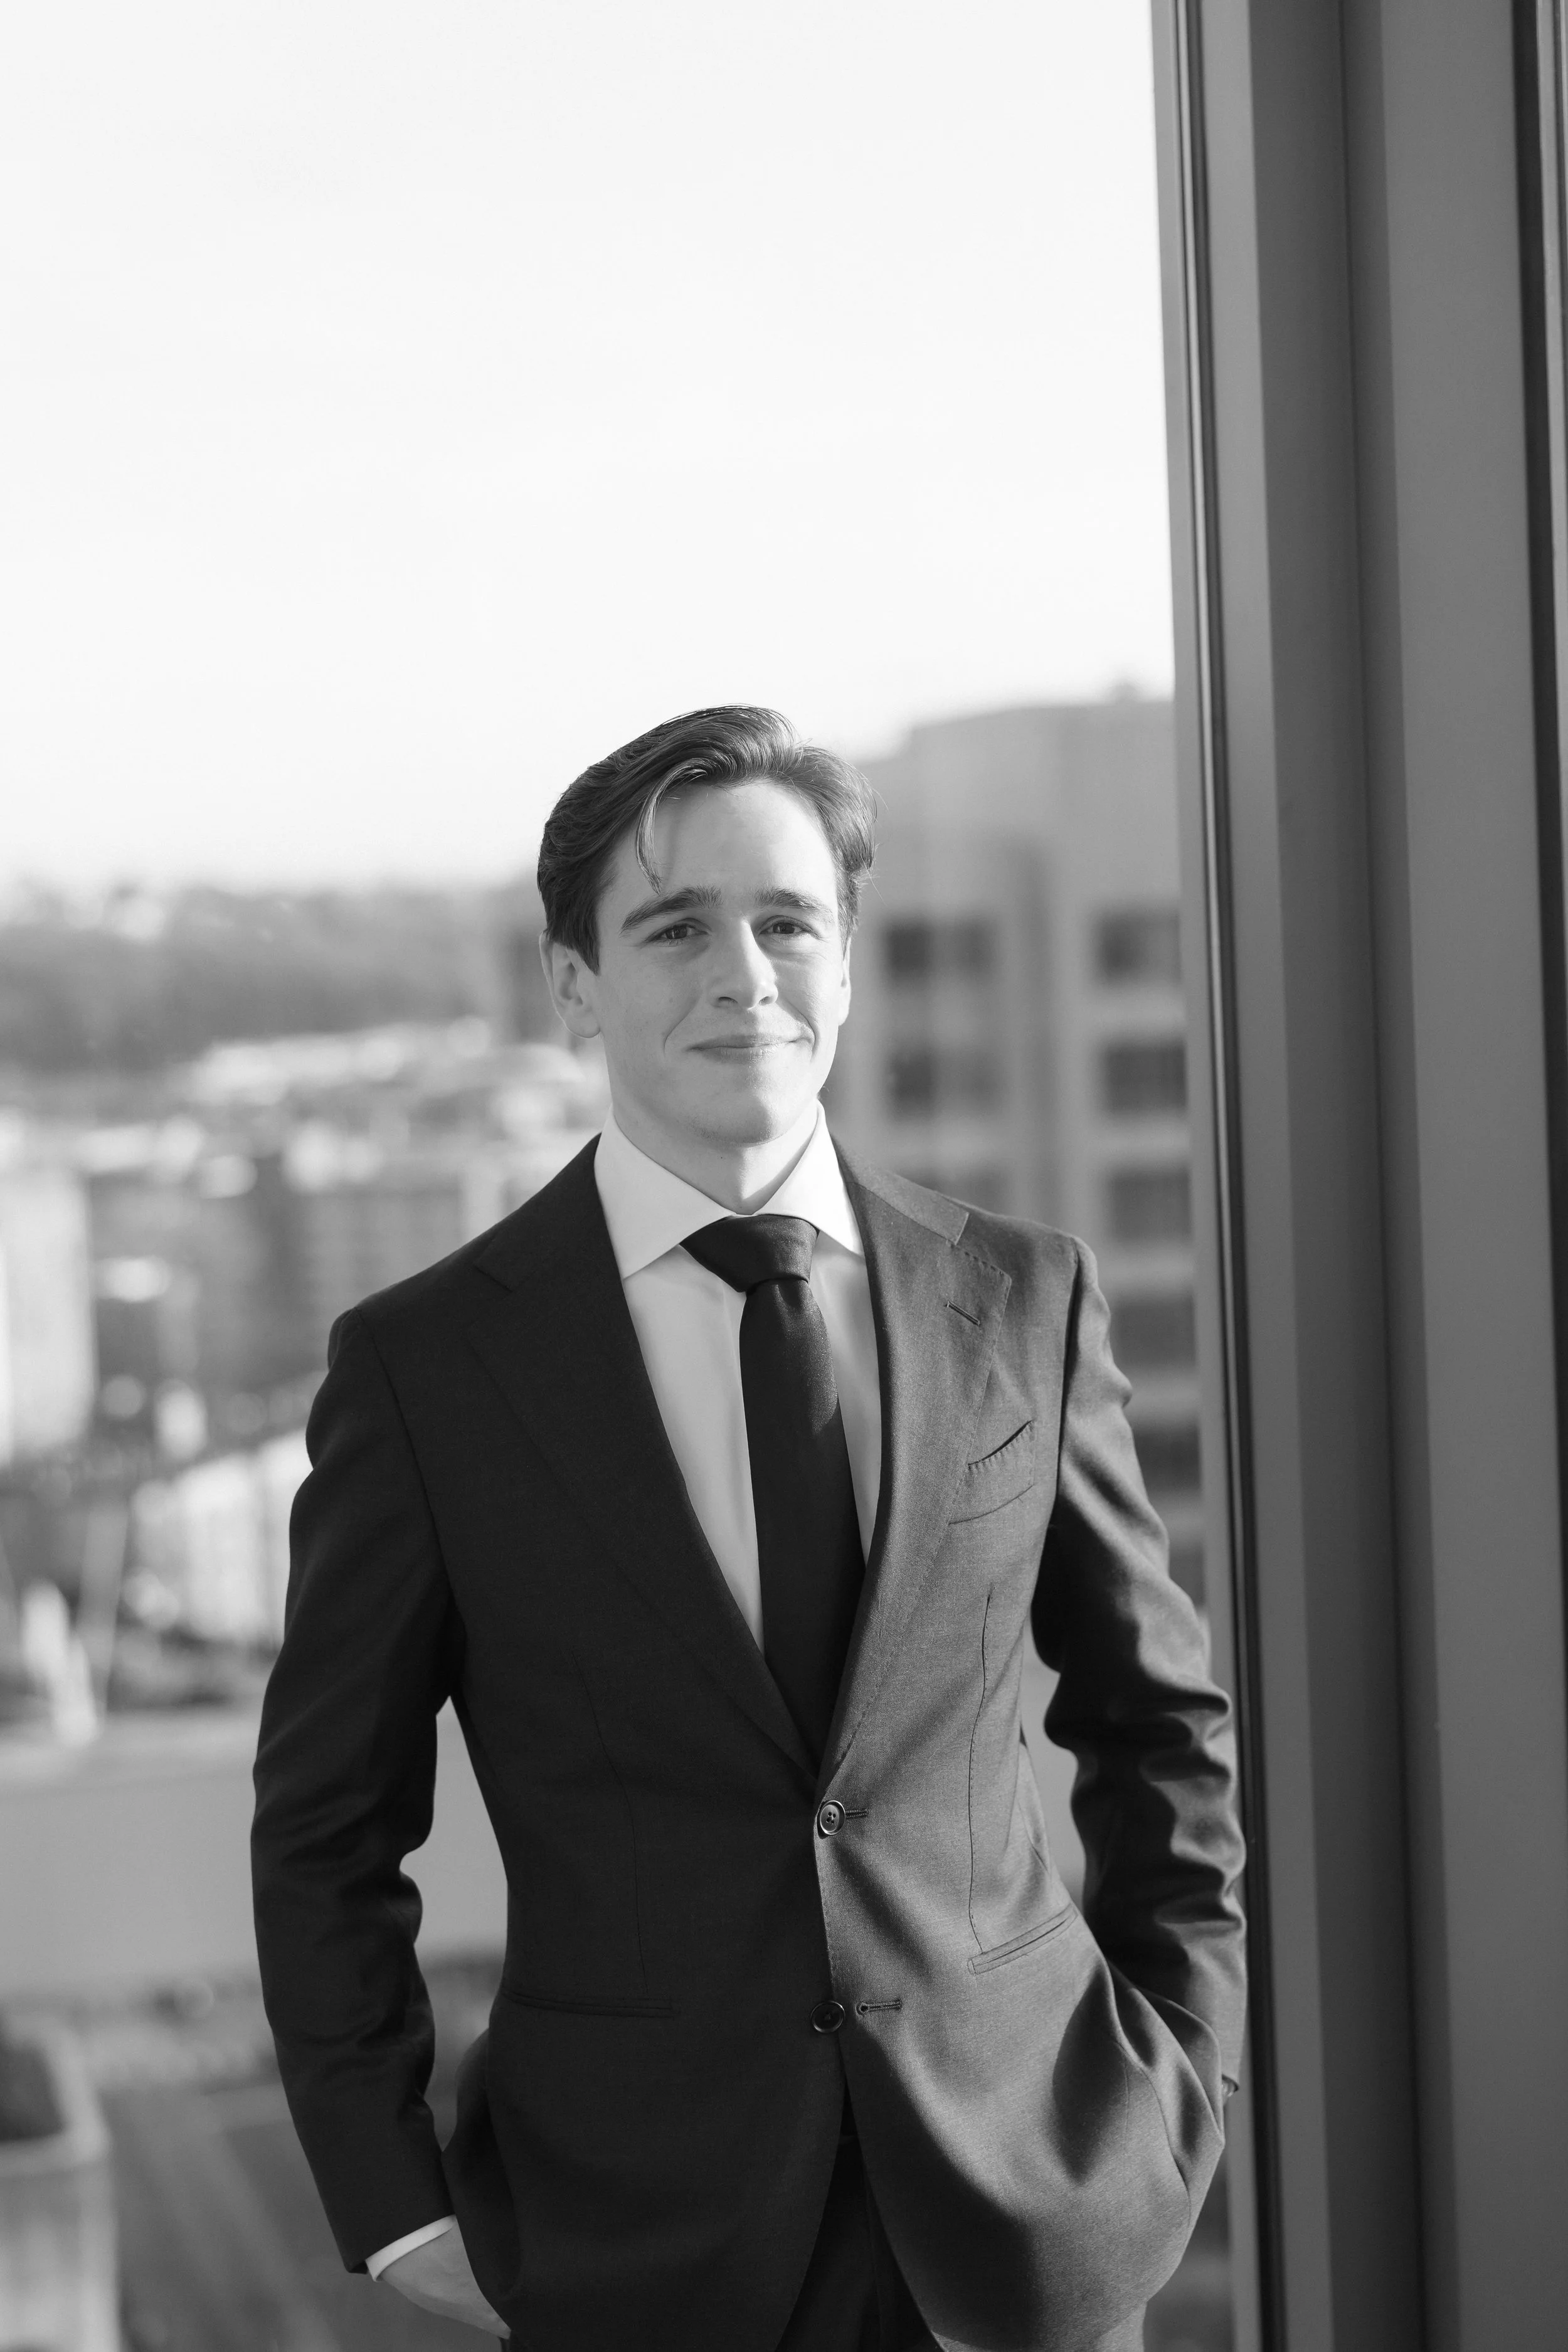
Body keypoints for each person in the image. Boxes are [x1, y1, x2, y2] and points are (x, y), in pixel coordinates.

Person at [251, 705, 1246, 2352]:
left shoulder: (1022, 1297)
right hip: (629, 2246)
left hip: (1027, 2221)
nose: (743, 972)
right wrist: (393, 2198)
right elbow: (327, 1831)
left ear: (845, 956)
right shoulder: (426, 1369)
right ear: (575, 981)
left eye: (786, 918)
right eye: (673, 925)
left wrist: (1177, 2067)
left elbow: (1157, 1723)